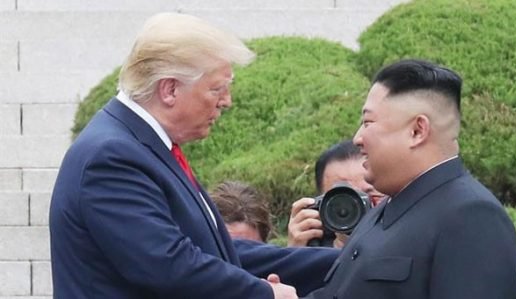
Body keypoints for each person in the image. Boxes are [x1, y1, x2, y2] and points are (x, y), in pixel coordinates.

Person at [49, 12, 337, 299]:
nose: (227, 101)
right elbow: (169, 266)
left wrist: (344, 263)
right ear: (170, 89)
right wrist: (266, 294)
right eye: (217, 89)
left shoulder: (141, 145)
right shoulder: (111, 157)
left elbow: (214, 248)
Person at [304, 59, 516, 298]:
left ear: (417, 131)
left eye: (368, 122)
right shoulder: (386, 208)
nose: (357, 138)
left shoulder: (471, 216)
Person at [287, 140, 385, 248]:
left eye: (367, 198)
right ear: (320, 206)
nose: (353, 208)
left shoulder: (402, 242)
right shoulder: (315, 248)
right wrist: (295, 253)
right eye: (340, 199)